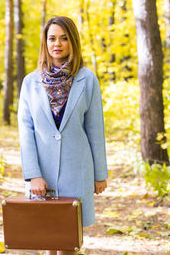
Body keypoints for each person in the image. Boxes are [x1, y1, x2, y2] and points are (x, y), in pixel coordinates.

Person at [17, 16, 108, 255]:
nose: (58, 44)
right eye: (52, 38)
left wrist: (100, 174)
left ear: (73, 42)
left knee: (69, 241)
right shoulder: (30, 83)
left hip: (77, 170)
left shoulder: (87, 79)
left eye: (64, 38)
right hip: (42, 174)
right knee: (46, 239)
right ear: (45, 43)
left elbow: (95, 129)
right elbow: (26, 133)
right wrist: (33, 175)